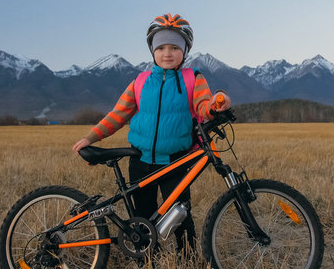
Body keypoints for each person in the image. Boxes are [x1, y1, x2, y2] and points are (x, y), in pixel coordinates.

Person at [72, 13, 231, 254]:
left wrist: (217, 104)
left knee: (180, 213)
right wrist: (91, 137)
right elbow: (118, 115)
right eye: (161, 47)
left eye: (175, 47)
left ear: (185, 50)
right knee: (142, 215)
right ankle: (146, 257)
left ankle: (187, 257)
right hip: (140, 160)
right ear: (152, 51)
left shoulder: (193, 78)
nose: (167, 53)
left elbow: (203, 106)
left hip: (175, 161)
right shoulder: (140, 81)